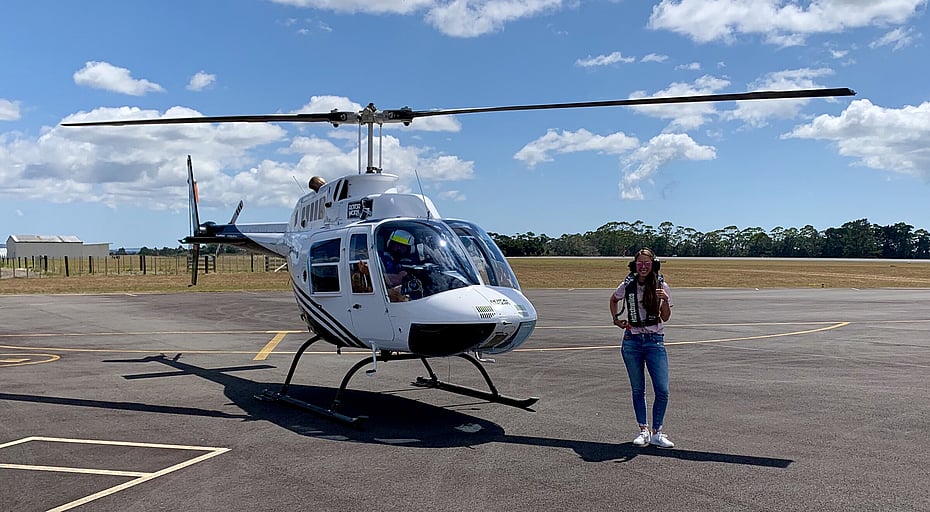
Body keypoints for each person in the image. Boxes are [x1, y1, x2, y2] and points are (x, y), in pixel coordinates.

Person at [608, 248, 675, 449]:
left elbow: (666, 317)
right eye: (640, 263)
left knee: (662, 390)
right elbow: (614, 299)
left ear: (653, 265)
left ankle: (657, 432)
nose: (643, 267)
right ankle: (643, 430)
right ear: (634, 265)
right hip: (632, 340)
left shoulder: (661, 286)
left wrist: (664, 299)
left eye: (647, 263)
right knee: (638, 389)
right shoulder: (627, 285)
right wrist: (616, 319)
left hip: (655, 341)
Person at [381, 229, 415, 301]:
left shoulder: (411, 263)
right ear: (390, 244)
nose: (398, 248)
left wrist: (381, 276)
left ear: (409, 248)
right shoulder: (381, 257)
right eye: (396, 244)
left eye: (402, 246)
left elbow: (399, 279)